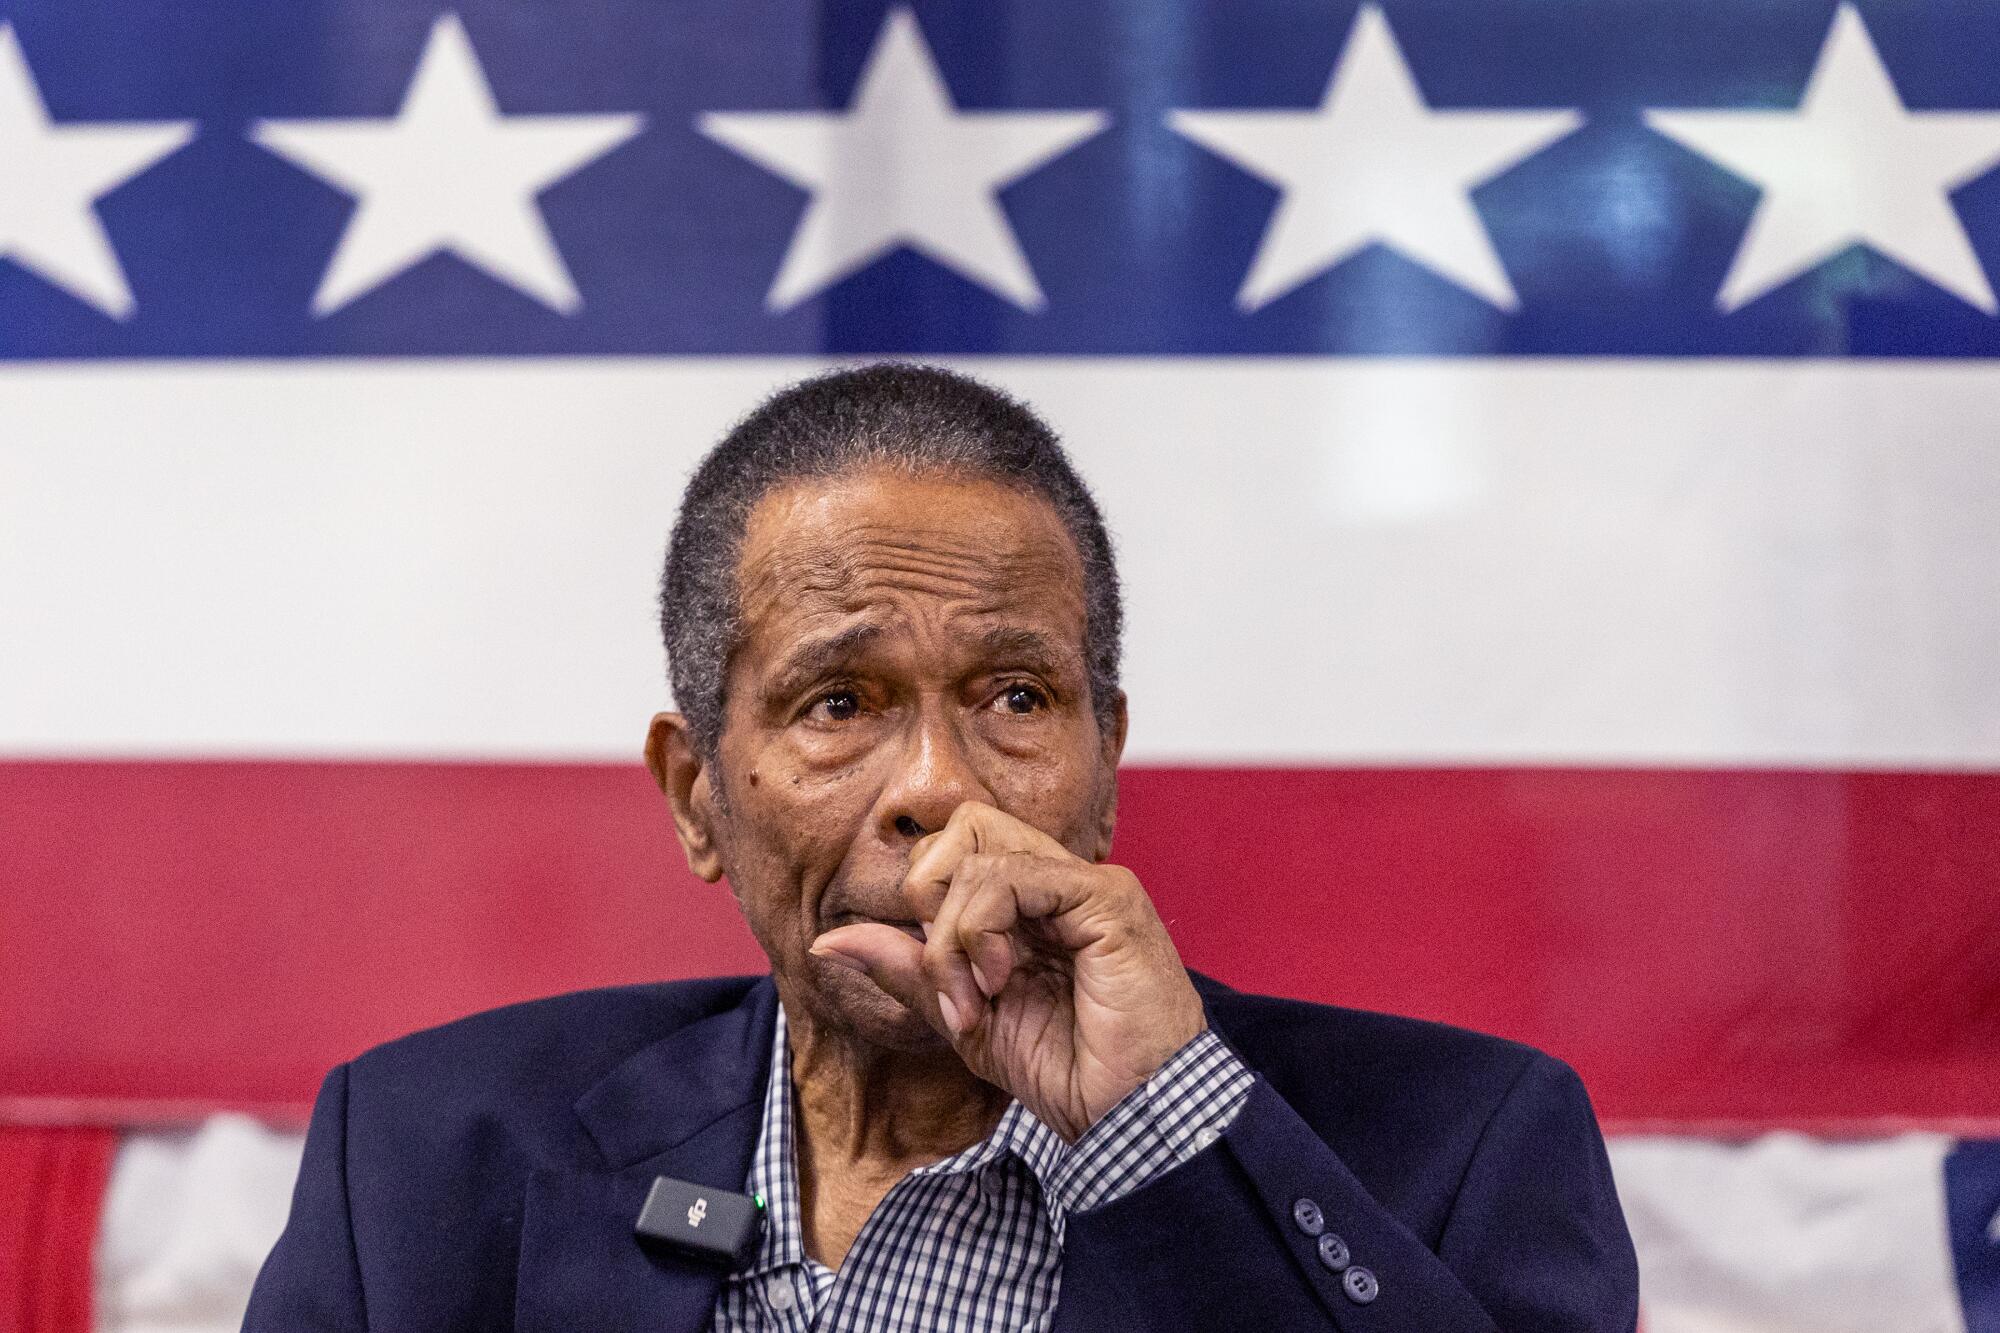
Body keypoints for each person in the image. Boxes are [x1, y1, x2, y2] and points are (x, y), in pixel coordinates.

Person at [244, 364, 1638, 1332]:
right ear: (695, 797)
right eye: (837, 702)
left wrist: (1164, 1129)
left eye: (1017, 698)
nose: (935, 786)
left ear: (1105, 763)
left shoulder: (1462, 1148)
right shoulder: (425, 1159)